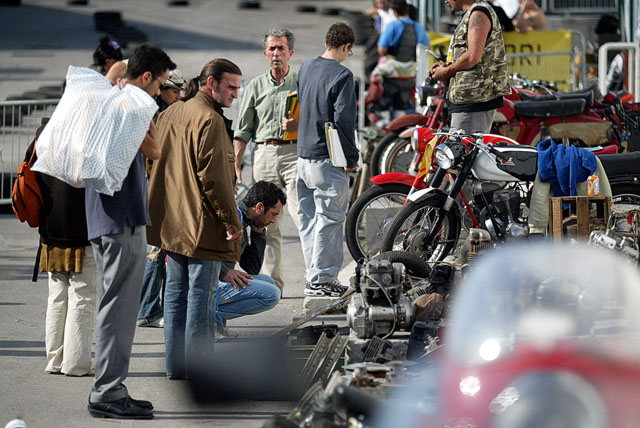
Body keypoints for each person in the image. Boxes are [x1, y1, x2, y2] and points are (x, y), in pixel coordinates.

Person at [85, 44, 175, 420]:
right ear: (146, 78)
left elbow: (116, 73)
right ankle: (107, 391)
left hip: (111, 216)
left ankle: (112, 387)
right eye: (159, 84)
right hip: (120, 218)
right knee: (119, 309)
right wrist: (143, 103)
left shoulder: (113, 98)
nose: (160, 92)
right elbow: (155, 150)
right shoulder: (133, 105)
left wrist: (127, 83)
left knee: (117, 306)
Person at [147, 58, 243, 380]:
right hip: (201, 226)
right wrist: (232, 223)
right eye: (230, 87)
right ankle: (199, 375)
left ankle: (177, 368)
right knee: (201, 299)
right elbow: (215, 180)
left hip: (172, 222)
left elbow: (152, 164)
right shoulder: (210, 119)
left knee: (175, 296)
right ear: (211, 83)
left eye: (237, 88)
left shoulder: (171, 112)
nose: (235, 94)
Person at [234, 29, 299, 296]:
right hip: (264, 153)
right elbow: (243, 130)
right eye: (272, 49)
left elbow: (316, 120)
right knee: (268, 223)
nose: (276, 54)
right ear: (265, 53)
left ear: (290, 53)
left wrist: (298, 125)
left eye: (281, 48)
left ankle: (317, 280)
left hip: (295, 153)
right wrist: (235, 164)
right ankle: (274, 284)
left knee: (302, 214)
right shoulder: (255, 86)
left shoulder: (301, 82)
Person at [296, 22, 359, 297]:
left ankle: (313, 276)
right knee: (330, 220)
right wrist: (351, 157)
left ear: (326, 43)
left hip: (303, 156)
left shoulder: (306, 67)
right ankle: (322, 279)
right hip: (327, 158)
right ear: (346, 46)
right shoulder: (342, 75)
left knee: (310, 220)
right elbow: (343, 118)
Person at [33, 112, 97, 377]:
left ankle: (54, 359)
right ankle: (76, 363)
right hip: (82, 230)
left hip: (51, 229)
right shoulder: (87, 138)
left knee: (57, 296)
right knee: (83, 296)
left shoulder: (43, 134)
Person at [137, 68, 187, 329]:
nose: (178, 96)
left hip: (158, 186)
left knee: (159, 248)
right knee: (158, 249)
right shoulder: (155, 115)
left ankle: (149, 308)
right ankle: (147, 310)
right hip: (156, 187)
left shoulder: (163, 113)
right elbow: (154, 158)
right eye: (174, 91)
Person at [429, 0, 510, 134]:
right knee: (459, 145)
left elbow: (473, 57)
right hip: (468, 99)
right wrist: (445, 65)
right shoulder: (472, 13)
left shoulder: (478, 13)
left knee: (464, 146)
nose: (445, 1)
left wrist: (446, 71)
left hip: (474, 100)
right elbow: (469, 55)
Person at [216, 181, 286, 335]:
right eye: (273, 214)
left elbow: (252, 267)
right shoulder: (233, 217)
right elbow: (202, 252)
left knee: (268, 282)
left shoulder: (244, 219)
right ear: (259, 207)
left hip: (217, 279)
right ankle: (208, 317)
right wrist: (224, 272)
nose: (273, 220)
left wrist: (258, 232)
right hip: (206, 282)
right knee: (271, 294)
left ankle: (213, 318)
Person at [375, 0, 430, 117]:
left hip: (392, 73)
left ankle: (381, 116)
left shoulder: (393, 25)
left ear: (395, 12)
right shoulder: (418, 27)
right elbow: (426, 47)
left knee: (375, 78)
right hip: (409, 74)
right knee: (401, 106)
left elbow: (381, 49)